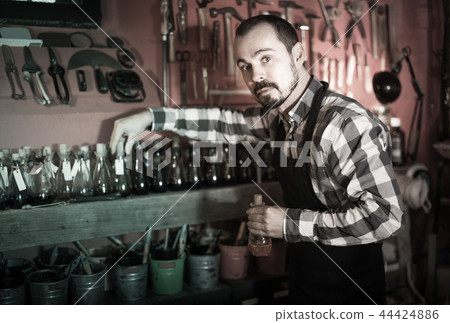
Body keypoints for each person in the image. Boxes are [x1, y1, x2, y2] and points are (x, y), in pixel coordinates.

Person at [110, 15, 404, 305]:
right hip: (305, 280)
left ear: (298, 54)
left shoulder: (344, 123)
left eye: (265, 59)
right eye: (245, 66)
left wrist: (289, 223)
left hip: (353, 294)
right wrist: (152, 117)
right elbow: (224, 124)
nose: (256, 76)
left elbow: (384, 218)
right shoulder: (278, 118)